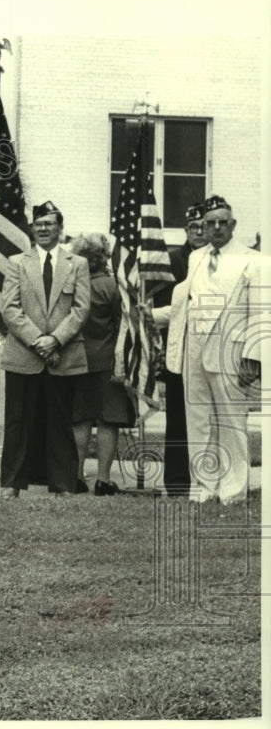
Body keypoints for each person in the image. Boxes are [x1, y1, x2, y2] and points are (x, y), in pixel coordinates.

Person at [157, 195, 261, 504]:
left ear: (233, 225)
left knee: (230, 422)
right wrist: (151, 316)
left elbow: (260, 313)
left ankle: (233, 491)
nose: (215, 228)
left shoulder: (252, 259)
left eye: (221, 223)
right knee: (198, 422)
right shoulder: (196, 257)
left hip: (231, 352)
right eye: (209, 223)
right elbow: (185, 304)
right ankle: (203, 488)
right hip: (195, 349)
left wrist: (252, 357)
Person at [0, 201, 90, 497]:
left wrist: (55, 340)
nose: (42, 229)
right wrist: (38, 340)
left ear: (60, 229)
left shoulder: (77, 264)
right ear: (32, 228)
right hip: (24, 354)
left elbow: (80, 309)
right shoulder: (16, 263)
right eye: (38, 224)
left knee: (60, 421)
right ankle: (12, 485)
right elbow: (9, 308)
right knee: (18, 422)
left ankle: (63, 485)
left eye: (49, 224)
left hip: (62, 354)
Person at [69, 233, 135, 495]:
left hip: (77, 360)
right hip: (108, 361)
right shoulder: (112, 286)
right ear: (102, 258)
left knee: (80, 420)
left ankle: (75, 476)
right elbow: (122, 325)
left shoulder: (74, 284)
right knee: (109, 421)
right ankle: (103, 480)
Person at [152, 202, 209, 496]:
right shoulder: (174, 261)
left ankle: (208, 479)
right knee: (177, 418)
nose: (200, 232)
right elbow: (163, 307)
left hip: (209, 351)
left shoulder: (216, 260)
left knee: (208, 418)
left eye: (204, 226)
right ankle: (176, 482)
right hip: (178, 350)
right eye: (194, 227)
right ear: (186, 230)